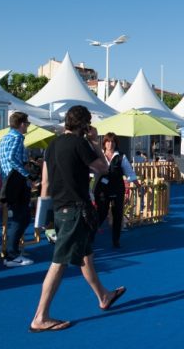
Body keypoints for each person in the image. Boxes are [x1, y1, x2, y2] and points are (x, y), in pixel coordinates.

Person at [30, 105, 125, 333]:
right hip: (75, 208)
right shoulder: (80, 143)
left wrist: (43, 216)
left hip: (60, 207)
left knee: (85, 256)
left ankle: (103, 295)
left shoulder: (51, 146)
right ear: (84, 125)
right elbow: (103, 167)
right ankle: (40, 316)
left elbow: (45, 183)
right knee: (59, 262)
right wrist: (95, 141)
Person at [0, 112, 36, 268]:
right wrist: (27, 174)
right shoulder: (17, 138)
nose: (27, 126)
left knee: (21, 217)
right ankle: (11, 254)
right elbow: (12, 158)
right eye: (26, 123)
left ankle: (12, 251)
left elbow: (9, 159)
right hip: (16, 181)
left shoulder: (4, 138)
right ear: (21, 124)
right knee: (21, 217)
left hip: (9, 181)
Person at [94, 132, 139, 248]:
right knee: (101, 213)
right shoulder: (99, 155)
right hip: (102, 189)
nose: (110, 144)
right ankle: (90, 235)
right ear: (104, 143)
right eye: (108, 141)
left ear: (116, 143)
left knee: (117, 214)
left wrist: (137, 184)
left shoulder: (121, 156)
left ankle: (116, 240)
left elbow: (129, 172)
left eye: (113, 142)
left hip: (117, 188)